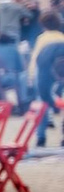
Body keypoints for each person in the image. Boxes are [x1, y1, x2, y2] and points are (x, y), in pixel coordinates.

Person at [29, 13, 64, 145]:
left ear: (43, 25)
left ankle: (41, 136)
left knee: (42, 105)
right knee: (63, 105)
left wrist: (31, 76)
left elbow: (35, 59)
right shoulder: (62, 37)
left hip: (44, 75)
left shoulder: (42, 38)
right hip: (61, 74)